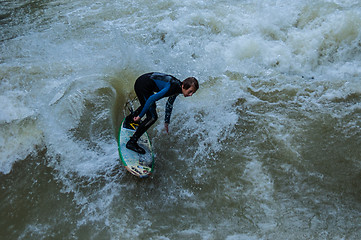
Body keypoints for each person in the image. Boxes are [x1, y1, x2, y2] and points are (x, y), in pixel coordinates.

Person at [124, 72, 199, 154]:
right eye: (190, 91)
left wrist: (166, 122)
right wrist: (140, 116)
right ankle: (131, 143)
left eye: (193, 93)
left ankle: (130, 119)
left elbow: (169, 104)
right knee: (152, 117)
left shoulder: (177, 88)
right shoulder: (172, 87)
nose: (191, 94)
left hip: (144, 83)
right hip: (142, 85)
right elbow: (151, 99)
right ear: (184, 86)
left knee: (150, 106)